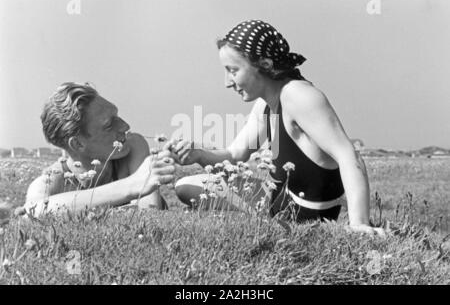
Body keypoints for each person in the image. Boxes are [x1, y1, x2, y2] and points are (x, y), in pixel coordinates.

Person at [171, 20, 384, 235]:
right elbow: (235, 155)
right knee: (186, 186)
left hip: (306, 213)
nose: (227, 82)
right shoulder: (264, 104)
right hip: (280, 199)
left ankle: (262, 222)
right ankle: (259, 219)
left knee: (191, 187)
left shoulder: (299, 96)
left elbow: (348, 155)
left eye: (233, 70)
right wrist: (197, 154)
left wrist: (359, 224)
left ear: (264, 65)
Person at [24, 82, 175, 216]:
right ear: (78, 144)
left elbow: (150, 213)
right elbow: (35, 210)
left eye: (117, 116)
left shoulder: (133, 146)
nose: (125, 126)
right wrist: (133, 184)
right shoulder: (53, 180)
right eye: (109, 125)